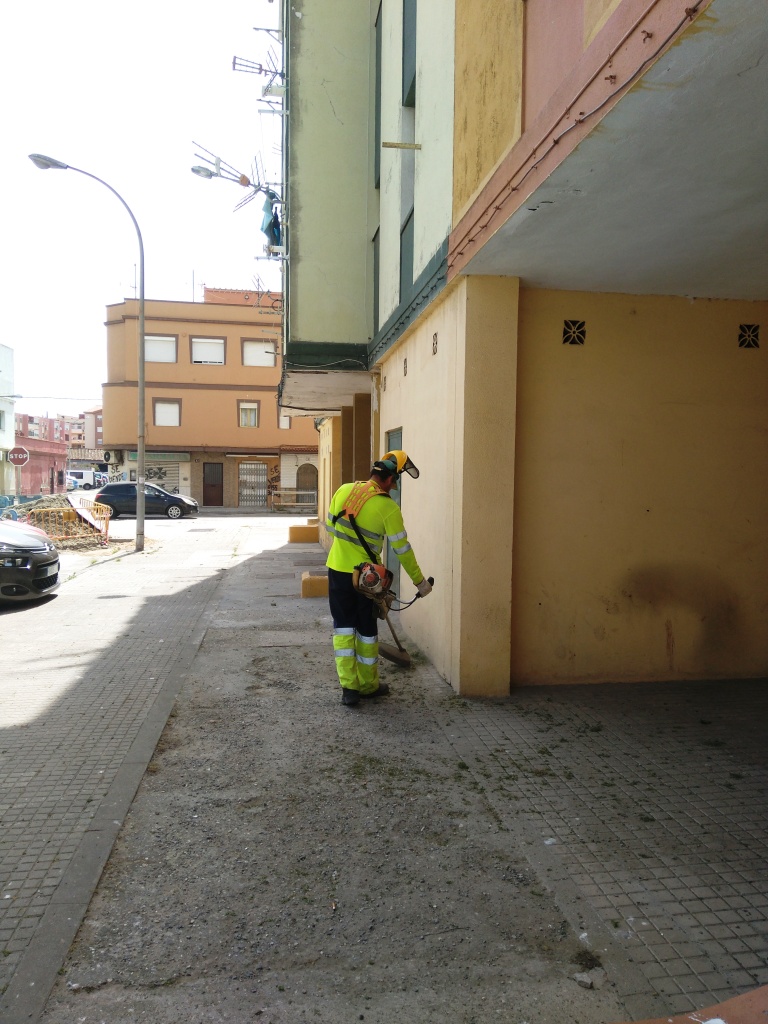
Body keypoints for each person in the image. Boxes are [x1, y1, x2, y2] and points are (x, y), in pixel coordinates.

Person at [325, 450, 432, 706]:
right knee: (366, 631)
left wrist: (348, 549)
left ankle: (349, 689)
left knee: (342, 627)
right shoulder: (387, 507)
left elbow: (331, 527)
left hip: (337, 571)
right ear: (388, 479)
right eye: (395, 481)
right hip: (367, 580)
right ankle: (368, 686)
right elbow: (402, 550)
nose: (395, 487)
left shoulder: (343, 490)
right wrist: (420, 582)